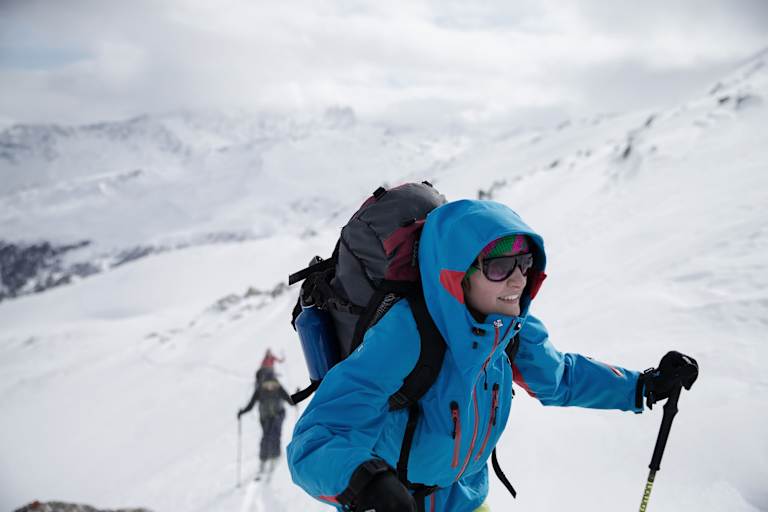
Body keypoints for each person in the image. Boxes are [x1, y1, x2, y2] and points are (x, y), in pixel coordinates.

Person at [286, 199, 698, 511]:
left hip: (467, 495)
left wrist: (643, 387)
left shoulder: (510, 327)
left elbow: (560, 379)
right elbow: (315, 440)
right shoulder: (405, 335)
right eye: (500, 266)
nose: (520, 277)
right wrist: (367, 480)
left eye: (525, 262)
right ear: (457, 275)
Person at [238, 361, 294, 481]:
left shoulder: (278, 388)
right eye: (267, 384)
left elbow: (289, 400)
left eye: (272, 384)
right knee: (265, 437)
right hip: (265, 417)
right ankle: (263, 459)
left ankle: (275, 456)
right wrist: (242, 412)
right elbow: (251, 404)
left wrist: (296, 398)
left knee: (275, 435)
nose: (270, 386)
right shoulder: (259, 390)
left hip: (278, 415)